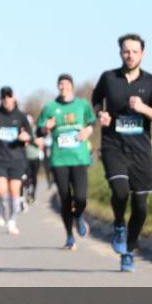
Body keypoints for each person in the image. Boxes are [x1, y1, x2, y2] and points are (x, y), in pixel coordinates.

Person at [91, 34, 152, 272]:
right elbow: (96, 100)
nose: (130, 55)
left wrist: (143, 108)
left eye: (135, 51)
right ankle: (118, 225)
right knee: (120, 190)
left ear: (142, 54)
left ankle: (129, 250)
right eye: (126, 51)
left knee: (141, 207)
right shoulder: (109, 78)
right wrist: (100, 114)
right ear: (120, 53)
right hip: (113, 145)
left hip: (141, 150)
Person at [36, 74, 95, 250]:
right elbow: (39, 131)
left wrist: (88, 131)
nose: (63, 87)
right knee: (65, 198)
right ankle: (70, 236)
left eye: (66, 83)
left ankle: (78, 215)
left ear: (72, 86)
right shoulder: (50, 107)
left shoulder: (82, 105)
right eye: (60, 84)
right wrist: (46, 127)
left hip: (80, 157)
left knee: (81, 197)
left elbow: (92, 122)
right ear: (58, 87)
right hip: (59, 159)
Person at [0, 87, 32, 236]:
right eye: (4, 97)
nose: (6, 99)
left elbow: (30, 134)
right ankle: (1, 207)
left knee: (14, 192)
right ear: (1, 99)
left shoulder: (21, 116)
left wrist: (25, 137)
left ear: (14, 98)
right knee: (1, 190)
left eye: (9, 96)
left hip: (17, 159)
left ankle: (12, 221)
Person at [23, 114, 42, 205]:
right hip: (24, 158)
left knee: (34, 176)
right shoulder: (23, 131)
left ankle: (33, 194)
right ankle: (27, 193)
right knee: (26, 177)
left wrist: (31, 140)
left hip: (35, 157)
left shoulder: (36, 130)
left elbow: (40, 142)